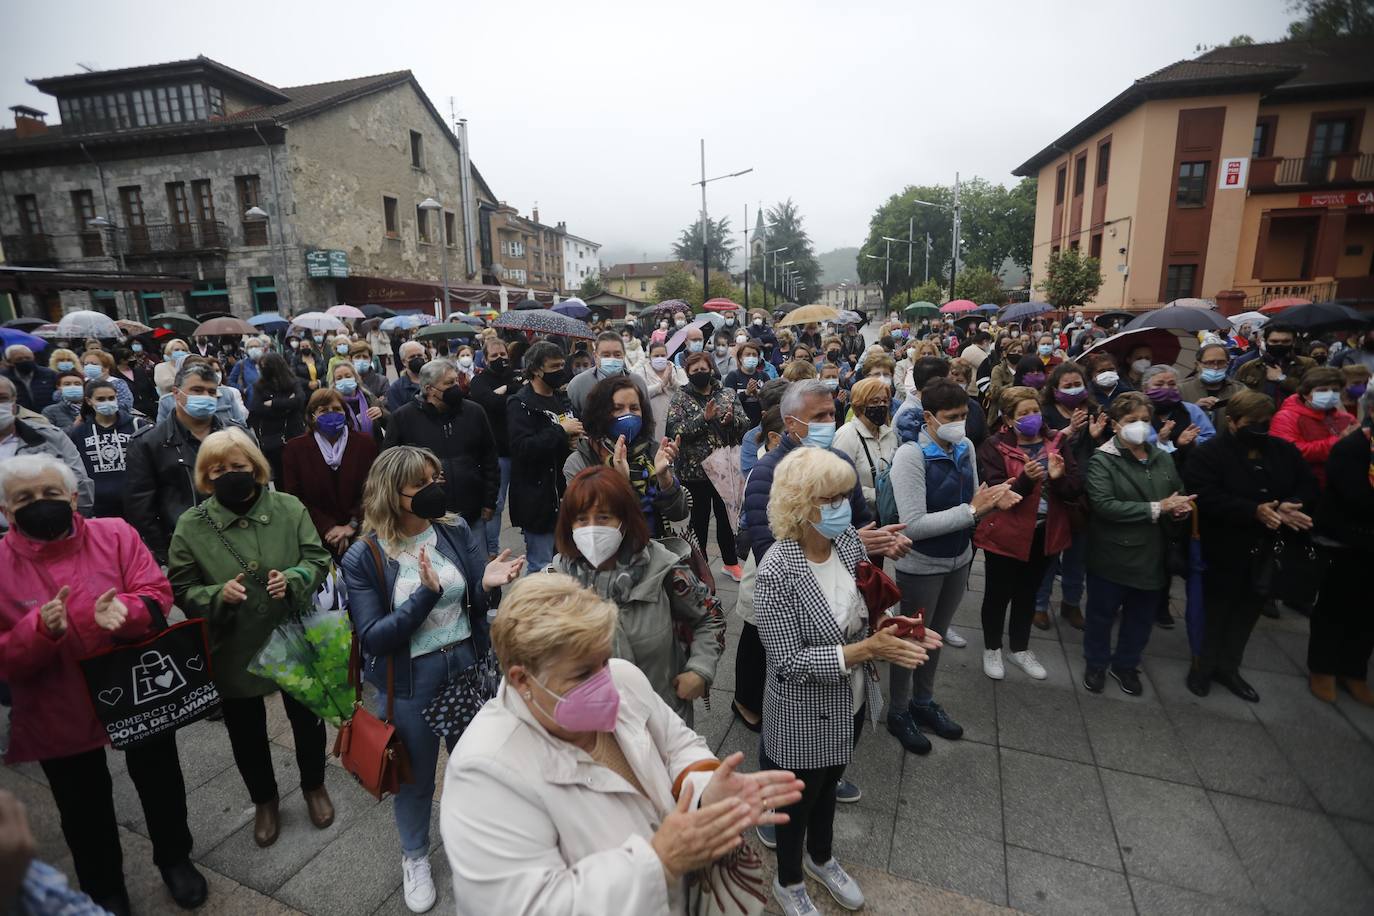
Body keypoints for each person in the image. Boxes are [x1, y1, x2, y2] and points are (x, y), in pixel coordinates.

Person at [440, 574, 801, 916]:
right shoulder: (484, 773)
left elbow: (675, 744)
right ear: (522, 679)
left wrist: (706, 787)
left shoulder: (622, 676)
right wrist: (659, 862)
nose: (605, 681)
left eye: (603, 660)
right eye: (583, 673)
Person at [0, 455, 208, 915]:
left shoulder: (114, 533)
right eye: (25, 499)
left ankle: (175, 859)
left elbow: (155, 592)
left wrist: (128, 614)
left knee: (161, 783)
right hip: (57, 704)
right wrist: (36, 632)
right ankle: (104, 885)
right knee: (81, 806)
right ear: (5, 510)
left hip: (133, 687)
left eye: (51, 494)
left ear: (74, 498)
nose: (40, 504)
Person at [755, 447, 938, 916]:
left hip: (850, 700)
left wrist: (897, 629)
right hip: (800, 712)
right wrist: (865, 651)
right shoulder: (777, 571)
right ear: (800, 504)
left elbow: (866, 610)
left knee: (830, 787)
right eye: (831, 498)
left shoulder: (848, 545)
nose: (843, 507)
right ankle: (789, 880)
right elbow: (789, 661)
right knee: (797, 803)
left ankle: (822, 858)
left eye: (845, 495)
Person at [340, 446, 522, 912]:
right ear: (392, 492)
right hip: (412, 681)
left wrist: (485, 585)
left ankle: (480, 841)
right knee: (416, 778)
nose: (434, 489)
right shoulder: (365, 556)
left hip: (467, 667)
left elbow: (473, 607)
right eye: (420, 484)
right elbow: (375, 637)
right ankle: (415, 856)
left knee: (475, 764)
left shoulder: (454, 529)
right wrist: (423, 595)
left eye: (435, 477)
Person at [166, 428, 334, 849]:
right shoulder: (191, 524)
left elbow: (316, 557)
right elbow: (181, 588)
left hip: (292, 634)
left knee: (307, 721)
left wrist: (294, 578)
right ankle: (265, 799)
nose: (229, 475)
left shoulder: (288, 507)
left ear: (255, 468)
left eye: (238, 467)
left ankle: (314, 784)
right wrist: (215, 595)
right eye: (218, 469)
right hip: (234, 645)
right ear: (205, 476)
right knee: (246, 732)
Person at [888, 378, 1018, 753]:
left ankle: (923, 702)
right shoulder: (911, 455)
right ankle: (899, 710)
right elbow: (914, 524)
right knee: (910, 638)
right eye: (951, 416)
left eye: (964, 415)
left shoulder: (965, 447)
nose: (959, 423)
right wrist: (974, 511)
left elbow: (974, 501)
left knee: (935, 636)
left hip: (959, 558)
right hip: (921, 564)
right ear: (928, 417)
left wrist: (990, 502)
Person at [551, 466, 723, 725]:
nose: (592, 529)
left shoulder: (663, 568)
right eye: (582, 520)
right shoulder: (558, 581)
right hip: (591, 730)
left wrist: (700, 669)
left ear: (624, 520)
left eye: (604, 518)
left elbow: (709, 615)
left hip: (662, 720)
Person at [1185, 389, 1317, 702]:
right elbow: (1203, 495)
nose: (1259, 429)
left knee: (1247, 611)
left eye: (1264, 423)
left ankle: (1229, 667)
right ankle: (1202, 667)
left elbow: (1307, 483)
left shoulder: (1282, 451)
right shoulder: (1209, 454)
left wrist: (1291, 504)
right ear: (1232, 421)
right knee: (1215, 611)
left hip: (1268, 549)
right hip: (1224, 547)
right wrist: (1252, 510)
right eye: (1251, 423)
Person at [1081, 392, 1193, 696]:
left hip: (1152, 556)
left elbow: (1177, 491)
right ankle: (1096, 662)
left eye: (1145, 420)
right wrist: (1159, 508)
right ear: (1115, 425)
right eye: (1132, 420)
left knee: (1141, 617)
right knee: (1101, 614)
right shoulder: (1103, 460)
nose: (1140, 426)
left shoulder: (1162, 457)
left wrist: (1180, 509)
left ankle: (1126, 664)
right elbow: (1104, 505)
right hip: (1113, 554)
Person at [975, 386, 1082, 681]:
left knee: (1028, 593)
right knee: (997, 594)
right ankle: (992, 647)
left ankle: (1019, 647)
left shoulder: (1056, 442)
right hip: (1006, 533)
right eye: (1024, 413)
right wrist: (1025, 481)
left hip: (1045, 532)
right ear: (1008, 420)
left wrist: (1058, 480)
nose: (1032, 417)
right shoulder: (994, 446)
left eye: (1035, 411)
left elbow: (1074, 486)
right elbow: (997, 491)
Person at [385, 358, 500, 553]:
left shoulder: (474, 412)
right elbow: (390, 466)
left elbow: (490, 458)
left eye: (456, 381)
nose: (456, 387)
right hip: (426, 518)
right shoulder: (403, 418)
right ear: (429, 389)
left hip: (472, 512)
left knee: (478, 570)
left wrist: (490, 501)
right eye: (449, 383)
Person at [564, 376, 688, 537]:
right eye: (618, 408)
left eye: (634, 408)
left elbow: (679, 514)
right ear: (600, 413)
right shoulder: (581, 461)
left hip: (656, 553)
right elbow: (589, 529)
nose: (628, 415)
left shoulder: (653, 451)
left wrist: (665, 479)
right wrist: (619, 482)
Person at [1307, 417, 1374, 705]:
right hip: (1346, 541)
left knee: (1368, 613)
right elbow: (1355, 497)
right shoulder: (1353, 447)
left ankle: (1354, 671)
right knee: (1335, 606)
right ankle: (1322, 668)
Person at [666, 351, 748, 582]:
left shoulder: (727, 393)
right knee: (699, 522)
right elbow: (675, 431)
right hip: (694, 472)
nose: (700, 374)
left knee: (726, 518)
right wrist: (704, 418)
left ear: (711, 369)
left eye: (704, 369)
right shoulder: (680, 397)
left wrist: (733, 421)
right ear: (688, 373)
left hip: (724, 469)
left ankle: (730, 563)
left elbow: (746, 424)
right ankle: (700, 567)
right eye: (695, 371)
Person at [508, 341, 581, 570]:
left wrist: (574, 439)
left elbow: (569, 430)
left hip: (565, 493)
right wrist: (561, 431)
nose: (560, 371)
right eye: (554, 366)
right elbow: (523, 448)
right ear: (537, 369)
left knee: (568, 563)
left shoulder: (562, 398)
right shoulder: (520, 404)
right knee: (542, 565)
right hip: (537, 499)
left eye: (562, 364)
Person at [281, 388, 379, 556]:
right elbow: (294, 496)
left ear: (345, 412)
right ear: (312, 416)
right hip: (318, 535)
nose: (331, 414)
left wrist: (352, 525)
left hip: (363, 531)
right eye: (323, 410)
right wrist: (329, 528)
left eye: (336, 409)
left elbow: (374, 489)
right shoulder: (295, 449)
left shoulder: (365, 444)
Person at [0, 377, 93, 526]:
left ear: (13, 401)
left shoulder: (49, 437)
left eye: (2, 398)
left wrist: (65, 527)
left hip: (48, 533)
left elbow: (80, 484)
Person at [66, 378, 151, 519]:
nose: (107, 402)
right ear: (89, 401)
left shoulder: (138, 425)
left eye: (111, 398)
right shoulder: (79, 432)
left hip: (136, 501)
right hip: (98, 506)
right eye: (100, 399)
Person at [1270, 366, 1358, 489]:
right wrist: (1338, 442)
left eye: (1335, 390)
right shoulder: (1286, 418)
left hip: (1341, 486)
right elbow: (1291, 452)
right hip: (1306, 488)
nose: (1330, 394)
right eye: (1322, 390)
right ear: (1305, 394)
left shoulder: (1345, 418)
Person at [832, 376, 897, 521]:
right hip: (860, 520)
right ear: (859, 404)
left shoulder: (890, 434)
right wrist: (880, 494)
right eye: (874, 401)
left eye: (885, 401)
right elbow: (839, 485)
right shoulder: (846, 436)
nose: (881, 406)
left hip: (887, 517)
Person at [247, 352, 306, 484]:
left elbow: (299, 400)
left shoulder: (292, 382)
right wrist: (287, 406)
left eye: (266, 365)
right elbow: (256, 408)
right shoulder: (260, 385)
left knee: (299, 473)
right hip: (273, 437)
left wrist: (274, 403)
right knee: (280, 476)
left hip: (293, 432)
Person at [567, 332, 650, 418]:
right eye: (606, 355)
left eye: (617, 355)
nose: (612, 359)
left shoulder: (637, 382)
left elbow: (647, 419)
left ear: (624, 355)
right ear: (595, 356)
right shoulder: (578, 384)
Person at [1236, 324, 1314, 405]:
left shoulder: (1307, 364)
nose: (1280, 345)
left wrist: (1282, 379)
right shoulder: (1249, 367)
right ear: (1265, 341)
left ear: (1293, 342)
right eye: (1274, 341)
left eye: (1286, 341)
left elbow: (1315, 394)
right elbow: (1237, 398)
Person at [1180, 341, 1245, 428]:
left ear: (1227, 364)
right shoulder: (1181, 389)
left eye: (1221, 362)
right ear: (1197, 365)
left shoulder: (1239, 390)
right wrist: (1193, 409)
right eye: (1209, 363)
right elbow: (1170, 421)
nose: (1215, 367)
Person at [634, 339, 685, 442]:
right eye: (656, 356)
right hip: (653, 418)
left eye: (663, 355)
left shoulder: (675, 369)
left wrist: (672, 381)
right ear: (650, 357)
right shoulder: (641, 372)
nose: (660, 358)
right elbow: (640, 393)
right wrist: (661, 385)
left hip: (676, 418)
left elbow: (686, 390)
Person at [330, 360, 386, 437]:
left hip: (374, 446)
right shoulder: (331, 404)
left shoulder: (369, 397)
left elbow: (390, 424)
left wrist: (382, 413)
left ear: (356, 378)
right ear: (334, 382)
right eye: (339, 378)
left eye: (348, 376)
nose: (344, 380)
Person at [723, 339, 770, 426]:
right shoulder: (733, 376)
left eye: (754, 355)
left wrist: (758, 394)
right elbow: (728, 403)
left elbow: (770, 401)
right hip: (740, 422)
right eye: (748, 354)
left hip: (760, 422)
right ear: (740, 358)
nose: (751, 357)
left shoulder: (764, 376)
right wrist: (746, 393)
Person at [1, 346, 58, 414]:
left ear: (33, 357)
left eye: (28, 358)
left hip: (47, 416)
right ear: (10, 361)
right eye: (19, 359)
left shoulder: (49, 374)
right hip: (18, 417)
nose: (24, 360)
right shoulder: (3, 378)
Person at [76, 349, 134, 414]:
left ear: (106, 367)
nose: (89, 366)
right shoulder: (82, 382)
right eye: (86, 364)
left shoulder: (118, 383)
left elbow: (125, 405)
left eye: (94, 364)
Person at [228, 336, 266, 404]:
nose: (254, 349)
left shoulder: (268, 362)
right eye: (251, 347)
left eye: (256, 346)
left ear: (262, 348)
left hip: (267, 401)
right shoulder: (241, 364)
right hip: (250, 402)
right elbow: (230, 382)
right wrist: (243, 389)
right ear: (246, 350)